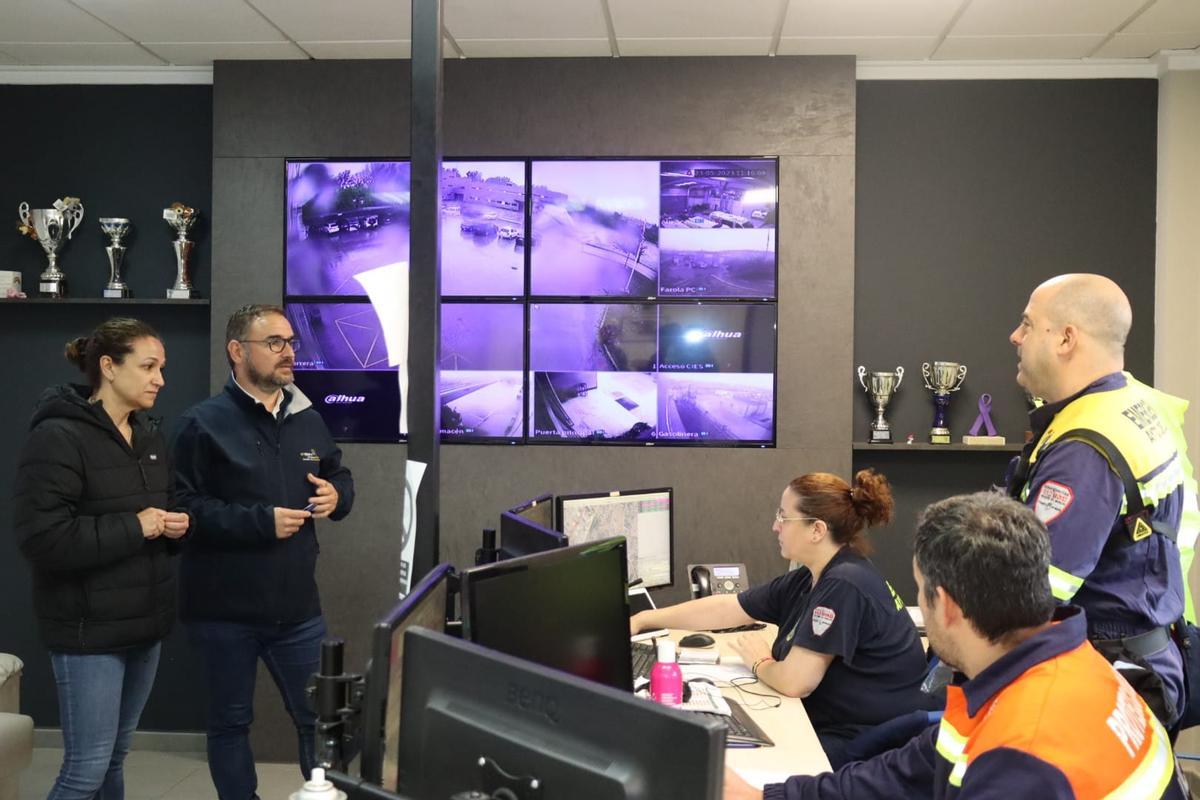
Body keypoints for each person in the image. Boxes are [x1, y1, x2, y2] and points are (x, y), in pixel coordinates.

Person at [723, 492, 1189, 800]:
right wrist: (763, 796)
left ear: (944, 605)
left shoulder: (1022, 755)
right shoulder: (1076, 665)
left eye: (920, 591)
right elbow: (904, 774)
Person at [170, 304, 355, 800]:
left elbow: (339, 473)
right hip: (221, 610)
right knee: (230, 723)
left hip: (296, 608)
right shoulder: (201, 424)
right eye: (274, 342)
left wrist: (338, 497)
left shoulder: (306, 416)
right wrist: (260, 522)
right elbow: (182, 510)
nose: (289, 352)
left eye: (291, 342)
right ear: (237, 351)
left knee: (321, 720)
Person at [630, 469, 932, 767]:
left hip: (866, 744)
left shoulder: (843, 584)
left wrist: (760, 662)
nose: (776, 526)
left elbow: (794, 682)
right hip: (838, 724)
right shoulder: (813, 576)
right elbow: (728, 607)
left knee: (734, 763)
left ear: (817, 530)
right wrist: (645, 619)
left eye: (784, 518)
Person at [1006, 273, 1197, 727]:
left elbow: (1034, 593)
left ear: (1066, 339)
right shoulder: (1129, 403)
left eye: (1028, 324)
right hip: (1149, 650)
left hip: (1106, 677)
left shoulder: (1085, 447)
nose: (1015, 336)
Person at [13, 318, 189, 799]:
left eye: (163, 368)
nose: (160, 379)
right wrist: (140, 524)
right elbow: (43, 539)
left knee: (113, 759)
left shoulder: (149, 438)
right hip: (88, 633)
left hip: (143, 627)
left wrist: (173, 527)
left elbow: (156, 515)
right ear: (108, 367)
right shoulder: (58, 437)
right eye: (149, 366)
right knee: (86, 770)